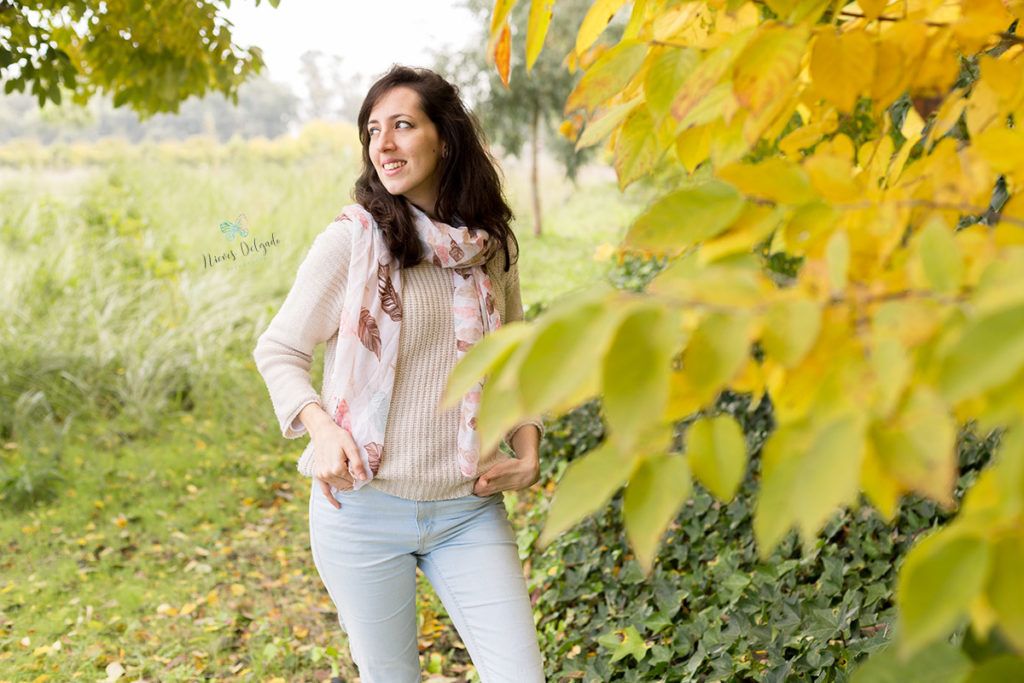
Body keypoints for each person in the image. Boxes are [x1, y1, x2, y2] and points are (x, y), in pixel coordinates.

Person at [252, 64, 547, 683]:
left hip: (467, 506)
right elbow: (279, 349)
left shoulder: (491, 246)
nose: (382, 144)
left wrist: (529, 444)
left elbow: (515, 357)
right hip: (363, 511)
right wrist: (322, 429)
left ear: (446, 136)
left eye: (403, 126)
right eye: (371, 130)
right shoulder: (353, 242)